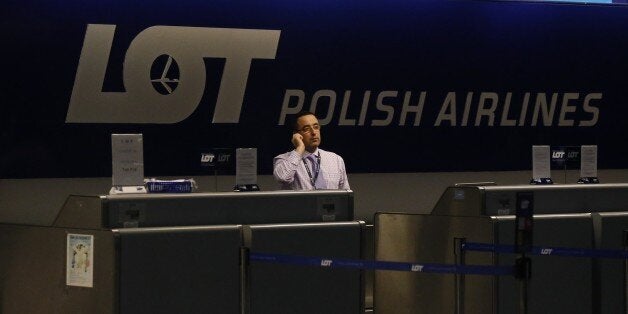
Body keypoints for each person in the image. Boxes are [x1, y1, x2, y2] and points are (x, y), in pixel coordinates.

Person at [273, 111, 350, 190]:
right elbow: (283, 178)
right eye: (306, 129)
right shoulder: (284, 159)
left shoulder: (336, 159)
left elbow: (345, 194)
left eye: (316, 127)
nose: (313, 132)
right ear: (296, 134)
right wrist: (299, 148)